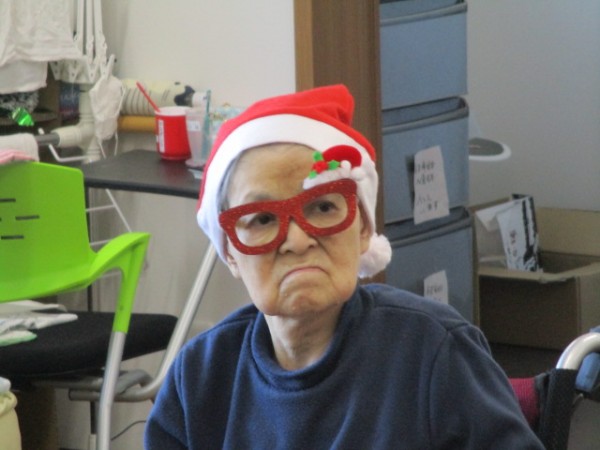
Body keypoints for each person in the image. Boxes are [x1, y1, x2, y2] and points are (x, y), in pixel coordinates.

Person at [144, 84, 544, 449]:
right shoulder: (199, 379)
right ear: (230, 252)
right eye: (262, 219)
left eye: (322, 208)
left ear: (364, 228)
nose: (297, 240)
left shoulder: (433, 352)